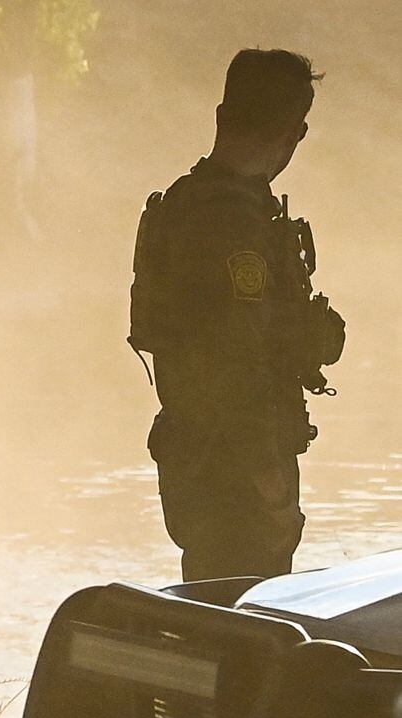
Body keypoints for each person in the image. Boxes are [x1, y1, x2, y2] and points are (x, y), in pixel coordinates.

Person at [132, 47, 346, 586]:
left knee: (215, 614)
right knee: (246, 630)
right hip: (235, 482)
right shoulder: (233, 226)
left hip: (203, 469)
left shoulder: (191, 205)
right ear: (296, 133)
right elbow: (236, 375)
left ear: (222, 115)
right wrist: (273, 493)